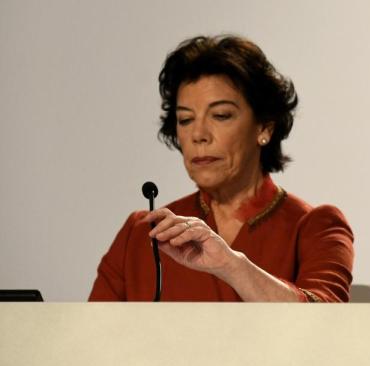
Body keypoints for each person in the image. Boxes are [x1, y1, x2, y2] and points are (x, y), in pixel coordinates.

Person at [90, 35, 354, 302]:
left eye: (221, 115)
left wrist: (231, 265)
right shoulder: (141, 233)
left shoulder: (317, 227)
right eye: (185, 119)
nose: (199, 134)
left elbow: (324, 325)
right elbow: (89, 339)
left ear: (264, 127)